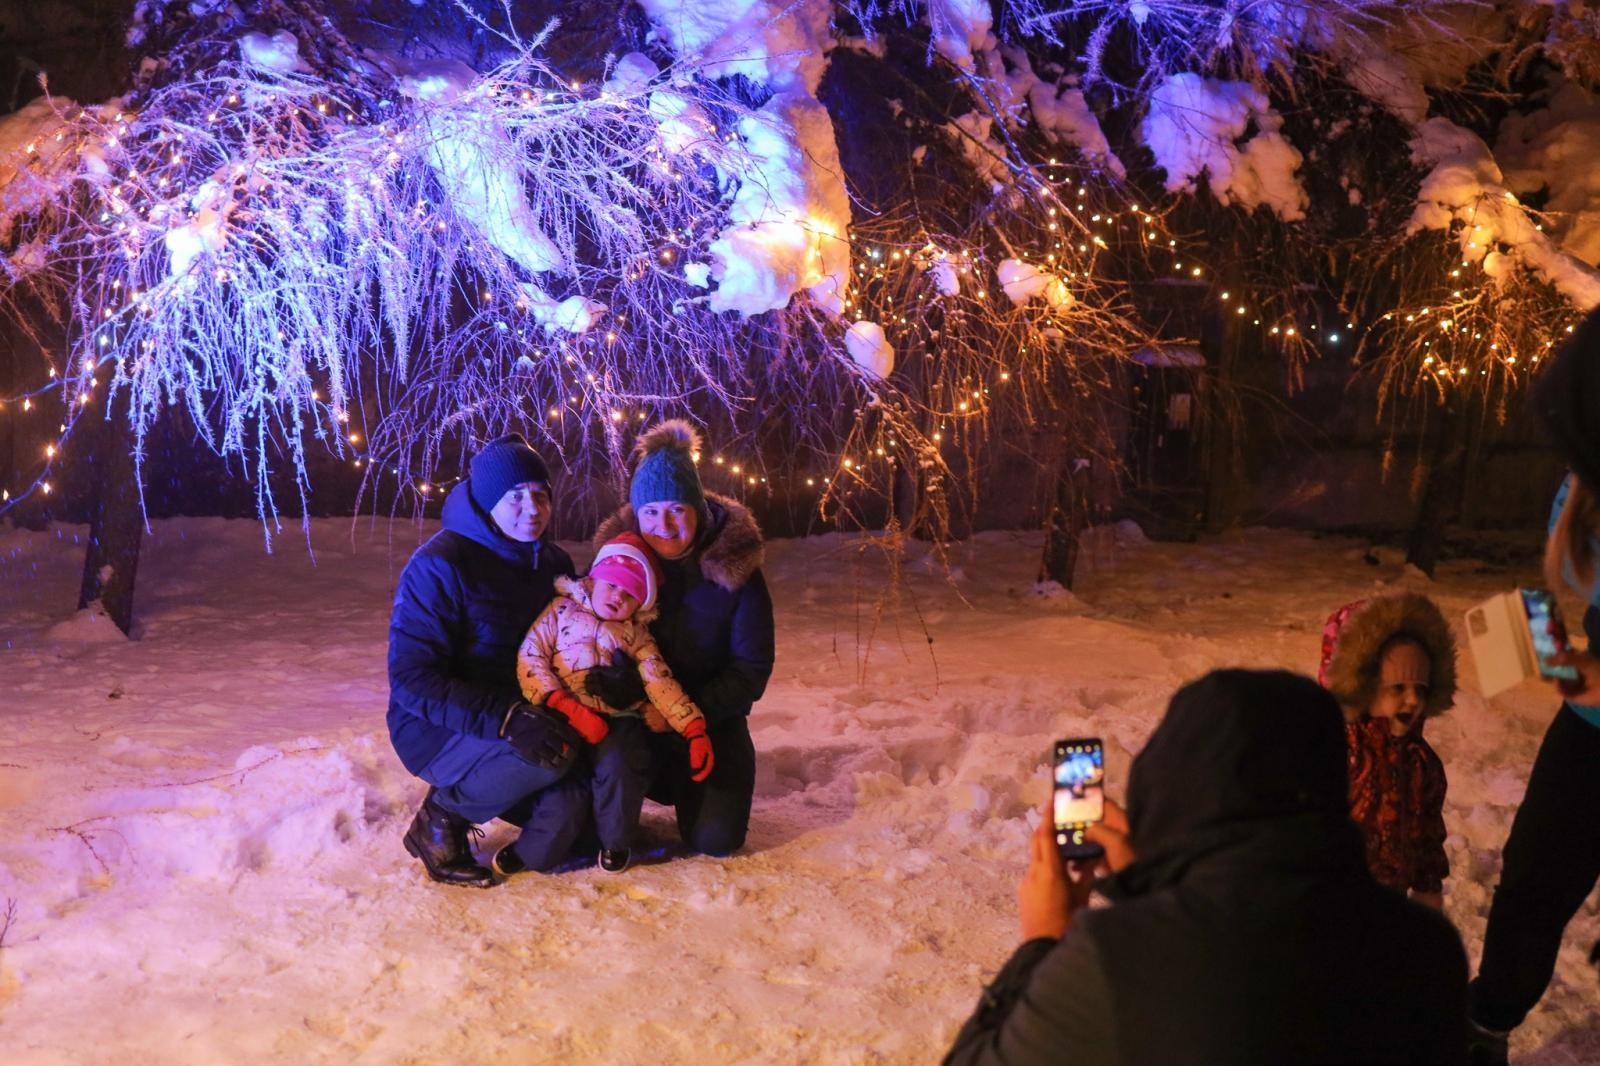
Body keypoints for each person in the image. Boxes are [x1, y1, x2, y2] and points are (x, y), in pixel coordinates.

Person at [944, 669, 1468, 1066]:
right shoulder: (1426, 949)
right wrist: (1161, 881)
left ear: (1170, 782)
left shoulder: (1114, 960)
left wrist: (1042, 944)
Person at [1470, 304, 1600, 1064]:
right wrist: (1556, 655)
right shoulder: (1583, 479)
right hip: (1586, 744)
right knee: (1532, 886)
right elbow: (1571, 572)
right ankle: (1486, 1021)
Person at [387, 433, 587, 887]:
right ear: (484, 502)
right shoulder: (440, 565)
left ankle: (505, 786)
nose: (531, 509)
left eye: (540, 495)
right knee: (552, 756)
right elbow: (412, 678)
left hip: (528, 716)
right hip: (436, 728)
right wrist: (508, 719)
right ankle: (440, 819)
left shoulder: (551, 561)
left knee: (579, 817)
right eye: (514, 497)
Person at [586, 419, 774, 856]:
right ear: (636, 513)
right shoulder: (616, 565)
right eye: (651, 511)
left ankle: (699, 801)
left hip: (711, 718)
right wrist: (621, 690)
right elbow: (586, 635)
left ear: (698, 509)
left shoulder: (735, 571)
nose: (664, 524)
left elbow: (752, 668)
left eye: (676, 510)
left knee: (716, 840)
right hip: (635, 718)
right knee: (592, 801)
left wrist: (688, 713)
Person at [513, 531, 716, 874]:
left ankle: (615, 841)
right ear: (593, 580)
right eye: (612, 585)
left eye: (629, 594)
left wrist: (693, 728)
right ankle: (531, 853)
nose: (618, 596)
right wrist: (564, 705)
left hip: (617, 719)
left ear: (642, 604)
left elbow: (660, 683)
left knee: (621, 766)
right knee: (565, 789)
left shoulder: (637, 636)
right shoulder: (561, 610)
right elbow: (530, 658)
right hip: (560, 713)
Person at [1319, 592, 1457, 907]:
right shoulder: (1334, 753)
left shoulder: (1420, 762)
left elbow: (1427, 832)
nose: (1412, 700)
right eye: (1398, 688)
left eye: (1420, 689)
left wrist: (1427, 886)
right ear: (1361, 687)